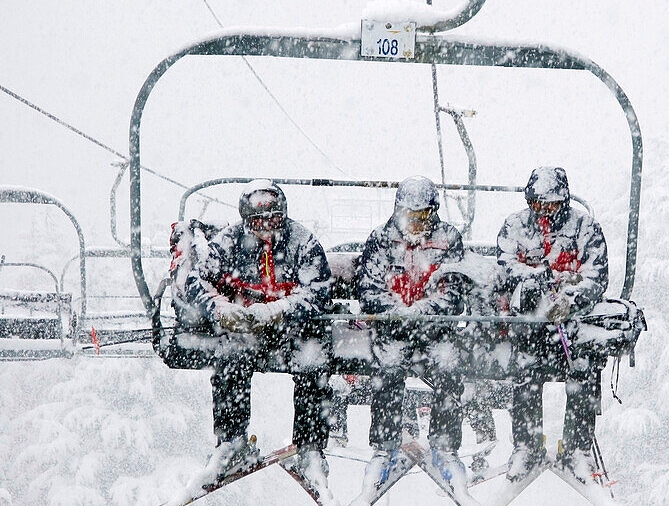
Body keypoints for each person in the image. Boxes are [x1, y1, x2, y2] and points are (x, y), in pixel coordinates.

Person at [185, 179, 333, 487]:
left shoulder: (301, 243)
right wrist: (221, 310)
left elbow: (317, 292)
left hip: (292, 329)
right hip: (247, 330)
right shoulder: (229, 242)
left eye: (273, 219)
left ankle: (309, 446)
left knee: (314, 361)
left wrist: (278, 311)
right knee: (229, 356)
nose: (265, 228)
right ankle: (231, 442)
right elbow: (197, 281)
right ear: (246, 220)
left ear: (283, 216)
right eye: (257, 222)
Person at [497, 166, 609, 482]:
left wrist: (570, 299)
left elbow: (596, 275)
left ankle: (576, 449)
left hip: (572, 322)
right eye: (538, 204)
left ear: (564, 201)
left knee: (584, 368)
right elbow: (506, 267)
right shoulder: (515, 226)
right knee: (526, 369)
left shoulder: (584, 227)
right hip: (532, 319)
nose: (544, 210)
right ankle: (527, 446)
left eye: (551, 204)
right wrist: (538, 280)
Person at [355, 176, 467, 487]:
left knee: (449, 365)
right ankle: (384, 445)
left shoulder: (448, 240)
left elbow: (453, 292)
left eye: (423, 217)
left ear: (433, 214)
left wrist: (421, 312)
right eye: (410, 216)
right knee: (388, 366)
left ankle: (445, 447)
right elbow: (368, 288)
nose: (416, 224)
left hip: (434, 330)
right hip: (392, 328)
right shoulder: (381, 239)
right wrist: (396, 312)